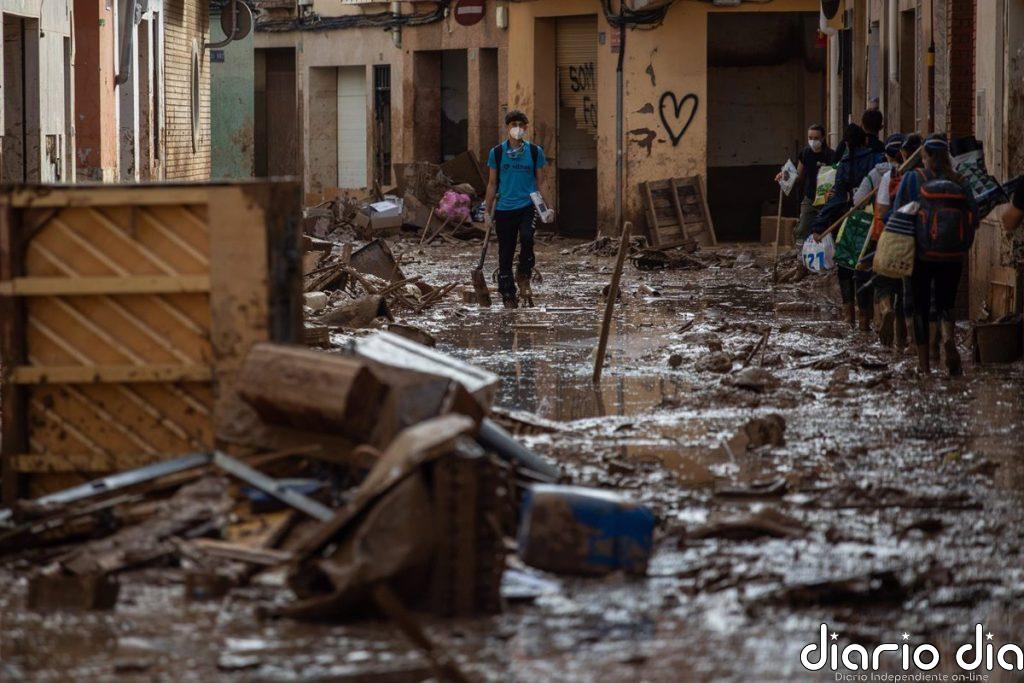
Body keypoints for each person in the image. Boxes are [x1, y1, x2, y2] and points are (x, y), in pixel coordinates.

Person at [889, 133, 979, 376]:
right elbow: (975, 214)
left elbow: (897, 213)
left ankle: (925, 365)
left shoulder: (911, 178)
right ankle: (948, 338)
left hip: (921, 254)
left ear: (925, 156)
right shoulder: (960, 180)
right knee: (944, 304)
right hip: (952, 255)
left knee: (919, 306)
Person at [812, 123, 885, 329]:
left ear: (845, 143)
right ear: (865, 140)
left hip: (847, 221)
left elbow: (835, 199)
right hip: (871, 221)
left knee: (845, 266)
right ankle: (865, 319)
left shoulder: (844, 164)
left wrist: (818, 225)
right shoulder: (876, 160)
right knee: (864, 269)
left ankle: (848, 317)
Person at [485, 110, 549, 309]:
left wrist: (548, 207)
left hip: (527, 205)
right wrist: (487, 212)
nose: (518, 129)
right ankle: (507, 292)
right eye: (514, 125)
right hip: (504, 208)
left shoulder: (534, 152)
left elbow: (541, 181)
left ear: (526, 128)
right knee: (506, 250)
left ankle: (524, 274)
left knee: (528, 237)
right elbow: (492, 183)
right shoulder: (496, 153)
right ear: (507, 127)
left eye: (522, 125)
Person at [777, 124, 834, 244]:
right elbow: (798, 175)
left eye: (816, 138)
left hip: (826, 199)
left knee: (828, 229)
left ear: (823, 138)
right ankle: (800, 253)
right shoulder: (805, 153)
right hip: (809, 197)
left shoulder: (830, 155)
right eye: (810, 138)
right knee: (802, 228)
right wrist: (784, 176)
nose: (813, 141)